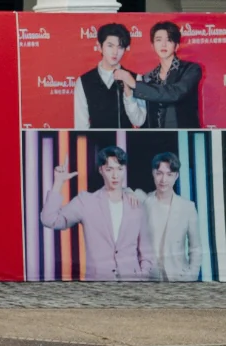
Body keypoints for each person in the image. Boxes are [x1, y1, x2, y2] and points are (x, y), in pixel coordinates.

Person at [40, 145, 151, 281]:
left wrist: (143, 277)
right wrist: (58, 183)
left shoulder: (136, 203)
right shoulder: (86, 201)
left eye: (120, 169)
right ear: (101, 170)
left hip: (132, 284)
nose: (115, 175)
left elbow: (146, 251)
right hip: (98, 284)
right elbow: (49, 220)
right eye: (109, 169)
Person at [140, 151, 206, 282]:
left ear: (176, 176)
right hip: (150, 278)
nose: (163, 180)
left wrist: (192, 275)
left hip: (178, 276)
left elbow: (196, 247)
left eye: (169, 174)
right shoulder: (145, 203)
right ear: (153, 173)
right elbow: (125, 191)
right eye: (159, 173)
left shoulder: (187, 207)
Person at [74, 23, 148, 129]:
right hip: (96, 139)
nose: (115, 52)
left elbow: (139, 121)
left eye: (120, 47)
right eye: (110, 46)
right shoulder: (83, 81)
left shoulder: (135, 78)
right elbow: (81, 126)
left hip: (125, 138)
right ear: (99, 47)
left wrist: (128, 94)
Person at [137, 21, 204, 130]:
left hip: (182, 134)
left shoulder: (190, 70)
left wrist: (135, 86)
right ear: (152, 45)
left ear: (176, 46)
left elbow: (175, 93)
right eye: (159, 40)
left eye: (169, 40)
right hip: (156, 136)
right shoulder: (148, 77)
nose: (163, 44)